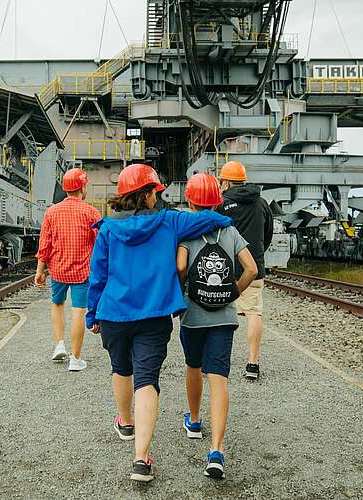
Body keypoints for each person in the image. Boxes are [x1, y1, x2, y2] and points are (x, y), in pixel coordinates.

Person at [87, 164, 232, 483]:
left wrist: (92, 314)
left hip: (114, 315)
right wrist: (223, 217)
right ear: (148, 194)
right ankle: (141, 459)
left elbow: (97, 276)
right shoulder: (170, 222)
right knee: (147, 380)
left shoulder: (109, 228)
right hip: (153, 318)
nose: (160, 196)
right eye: (157, 192)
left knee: (121, 369)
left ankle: (125, 422)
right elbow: (215, 220)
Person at [176, 173, 258, 479]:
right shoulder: (230, 230)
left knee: (193, 366)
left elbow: (182, 266)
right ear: (218, 201)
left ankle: (195, 421)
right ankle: (217, 451)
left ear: (190, 201)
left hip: (194, 316)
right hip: (224, 317)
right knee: (219, 378)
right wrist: (234, 292)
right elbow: (252, 268)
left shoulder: (187, 232)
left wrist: (181, 293)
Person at [34, 168, 101, 372]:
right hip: (82, 271)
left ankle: (59, 345)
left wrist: (39, 270)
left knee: (57, 304)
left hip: (58, 270)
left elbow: (45, 244)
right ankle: (75, 359)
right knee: (78, 312)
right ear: (82, 187)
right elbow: (99, 244)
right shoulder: (91, 212)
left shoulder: (51, 212)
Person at [215, 160, 273, 380]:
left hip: (223, 270)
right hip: (254, 268)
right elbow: (267, 235)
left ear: (227, 183)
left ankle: (216, 361)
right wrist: (255, 256)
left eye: (221, 181)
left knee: (218, 314)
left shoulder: (222, 204)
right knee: (253, 313)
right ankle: (252, 363)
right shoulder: (261, 203)